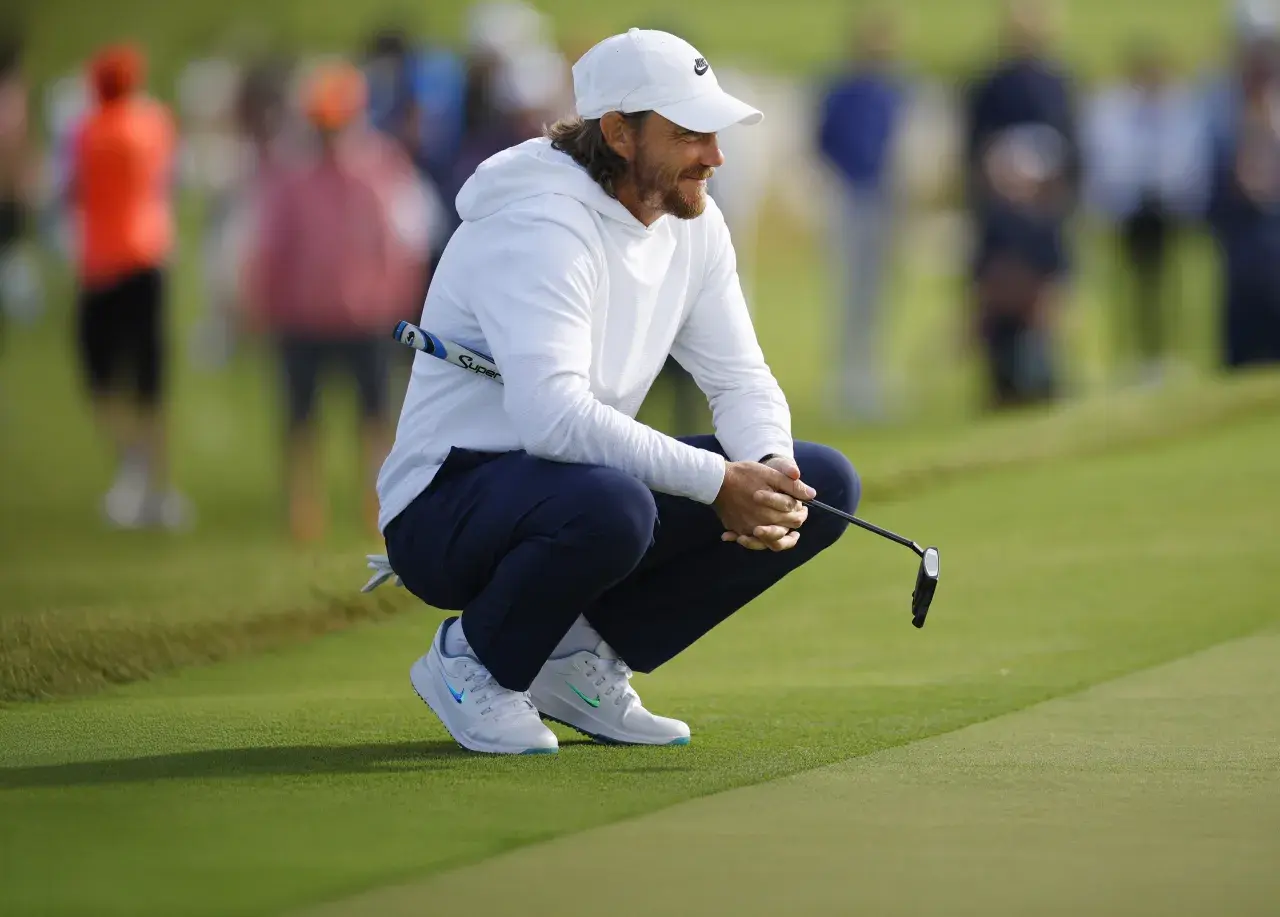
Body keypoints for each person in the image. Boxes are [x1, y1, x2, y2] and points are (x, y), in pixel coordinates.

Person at [364, 29, 861, 756]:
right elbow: (551, 418)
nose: (715, 157)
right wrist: (719, 480)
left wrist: (766, 468)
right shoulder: (540, 222)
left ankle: (575, 662)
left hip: (572, 488)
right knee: (614, 505)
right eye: (690, 134)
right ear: (620, 133)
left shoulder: (693, 225)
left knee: (817, 486)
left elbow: (739, 377)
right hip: (446, 504)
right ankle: (471, 661)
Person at [241, 61, 429, 542]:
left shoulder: (381, 168)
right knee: (300, 420)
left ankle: (378, 503)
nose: (329, 134)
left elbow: (401, 242)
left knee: (374, 417)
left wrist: (398, 302)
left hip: (366, 317)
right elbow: (273, 247)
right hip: (303, 319)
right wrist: (263, 302)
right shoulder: (291, 176)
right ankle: (304, 511)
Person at [68, 44, 189, 529]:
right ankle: (155, 484)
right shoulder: (154, 123)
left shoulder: (87, 131)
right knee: (151, 382)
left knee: (103, 379)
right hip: (147, 258)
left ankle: (132, 469)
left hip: (102, 263)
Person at [962, 0, 1080, 408]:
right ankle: (1001, 385)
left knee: (1043, 300)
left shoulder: (1059, 82)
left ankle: (1044, 379)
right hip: (999, 209)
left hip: (1043, 211)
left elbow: (1071, 146)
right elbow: (975, 144)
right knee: (997, 297)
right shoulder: (989, 83)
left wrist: (1051, 190)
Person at [1083, 40, 1207, 385]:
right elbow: (1108, 159)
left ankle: (1167, 355)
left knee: (1170, 287)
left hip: (1167, 209)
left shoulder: (1178, 106)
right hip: (1129, 210)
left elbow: (1186, 158)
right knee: (1129, 288)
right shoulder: (1114, 107)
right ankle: (1131, 358)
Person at [816, 9, 908, 422]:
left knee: (879, 292)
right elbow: (823, 141)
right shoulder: (842, 91)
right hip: (851, 197)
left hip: (887, 196)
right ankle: (848, 380)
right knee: (852, 291)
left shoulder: (894, 91)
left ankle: (873, 376)